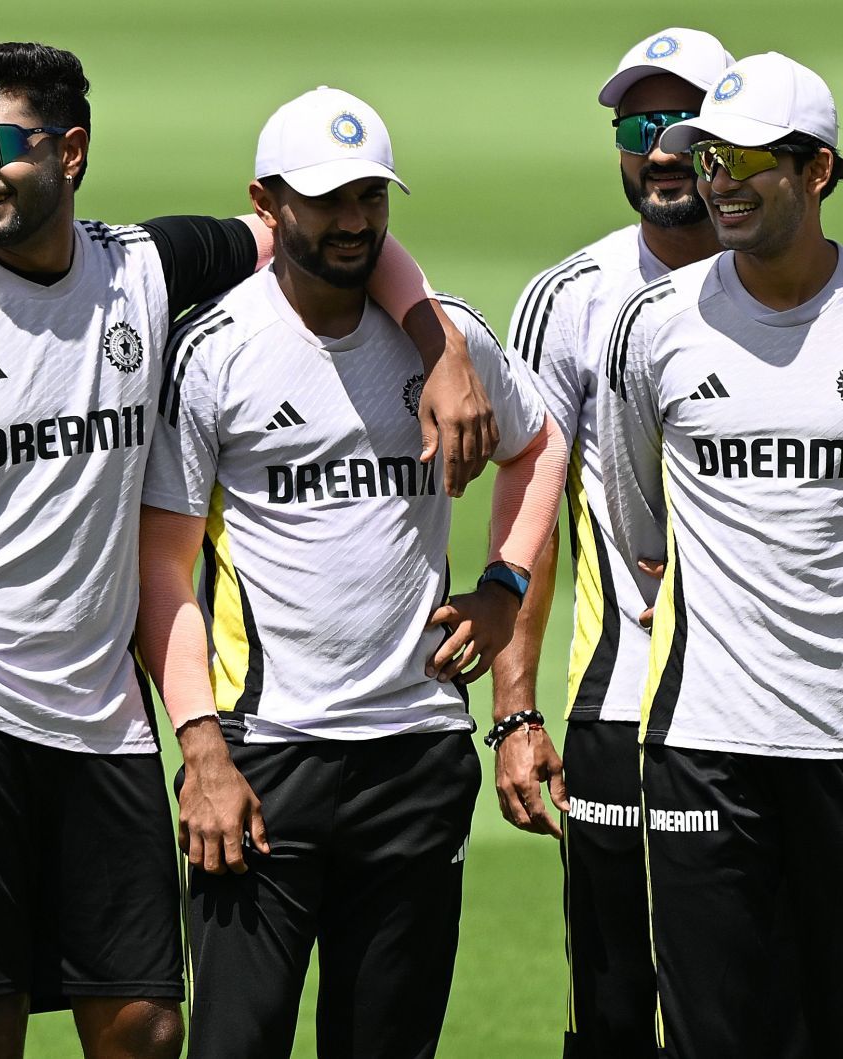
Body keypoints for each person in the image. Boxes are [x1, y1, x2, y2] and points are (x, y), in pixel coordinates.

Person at [0, 43, 495, 1059]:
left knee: (149, 1025)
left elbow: (337, 230)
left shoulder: (144, 268)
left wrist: (440, 345)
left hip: (105, 717)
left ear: (71, 152)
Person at [136, 86, 567, 1059]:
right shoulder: (214, 351)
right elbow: (161, 569)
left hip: (416, 752)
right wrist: (202, 750)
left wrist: (503, 583)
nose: (353, 220)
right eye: (326, 199)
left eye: (371, 195)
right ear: (267, 202)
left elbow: (540, 447)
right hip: (263, 758)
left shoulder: (448, 338)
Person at [597, 51, 843, 1058]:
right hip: (702, 745)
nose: (716, 178)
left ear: (817, 170)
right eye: (706, 155)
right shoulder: (653, 324)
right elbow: (640, 527)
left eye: (746, 158)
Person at [491, 25, 731, 1057]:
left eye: (685, 119)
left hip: (785, 715)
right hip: (620, 704)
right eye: (640, 123)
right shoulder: (570, 298)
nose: (663, 147)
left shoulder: (807, 292)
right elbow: (530, 518)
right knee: (617, 1010)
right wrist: (513, 711)